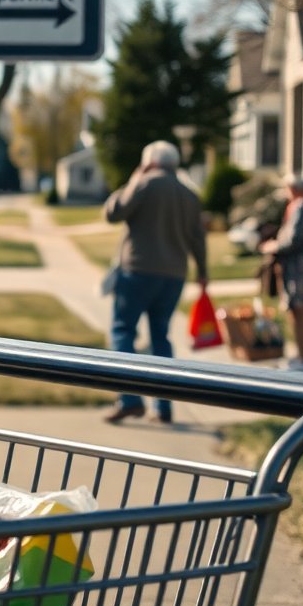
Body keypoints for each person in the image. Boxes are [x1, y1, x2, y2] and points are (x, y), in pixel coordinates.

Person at [102, 140, 208, 425]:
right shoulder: (189, 194)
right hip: (173, 275)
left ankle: (130, 399)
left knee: (123, 331)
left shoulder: (144, 183)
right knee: (161, 337)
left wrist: (133, 179)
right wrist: (203, 271)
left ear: (148, 162)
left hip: (137, 271)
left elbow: (113, 213)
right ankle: (163, 407)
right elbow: (198, 238)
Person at [259, 173, 303, 371]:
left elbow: (293, 240)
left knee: (298, 311)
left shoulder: (302, 206)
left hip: (300, 269)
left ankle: (301, 357)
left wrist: (271, 246)